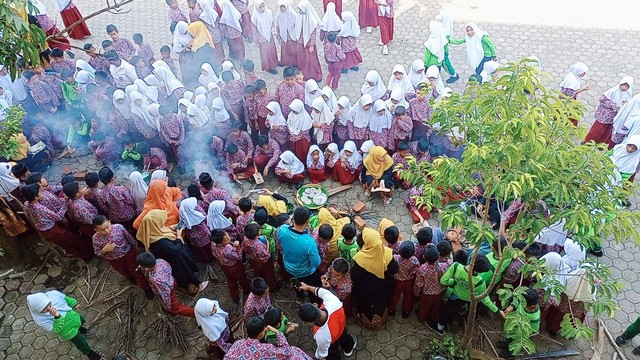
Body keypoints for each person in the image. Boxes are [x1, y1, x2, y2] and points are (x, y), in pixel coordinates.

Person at [136, 209, 206, 294]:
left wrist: (178, 225)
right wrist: (179, 236)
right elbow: (175, 250)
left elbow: (165, 230)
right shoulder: (160, 242)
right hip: (176, 263)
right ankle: (193, 289)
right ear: (156, 223)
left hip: (173, 258)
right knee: (185, 276)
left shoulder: (152, 230)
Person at [21, 183, 93, 260]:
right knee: (72, 240)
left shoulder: (26, 204)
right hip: (52, 230)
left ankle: (83, 253)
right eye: (40, 192)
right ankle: (86, 254)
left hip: (44, 229)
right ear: (36, 197)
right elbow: (58, 217)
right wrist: (65, 203)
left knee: (67, 242)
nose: (42, 193)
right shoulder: (40, 209)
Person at [435, 253, 500, 333]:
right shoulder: (480, 281)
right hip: (470, 299)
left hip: (455, 296)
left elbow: (443, 281)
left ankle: (440, 327)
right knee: (471, 310)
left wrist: (453, 281)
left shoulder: (456, 266)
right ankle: (467, 320)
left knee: (447, 310)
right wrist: (497, 310)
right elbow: (484, 298)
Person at [27, 290, 102, 360]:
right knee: (81, 342)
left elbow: (64, 298)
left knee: (82, 320)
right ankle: (90, 354)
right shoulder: (40, 320)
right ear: (38, 311)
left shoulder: (53, 294)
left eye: (48, 304)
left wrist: (74, 303)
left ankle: (79, 328)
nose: (49, 308)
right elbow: (56, 329)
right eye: (44, 309)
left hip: (74, 317)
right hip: (68, 331)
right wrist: (57, 317)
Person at [92, 215, 152, 297]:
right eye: (102, 230)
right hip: (114, 259)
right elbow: (97, 252)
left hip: (128, 253)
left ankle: (146, 288)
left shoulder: (119, 228)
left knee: (137, 271)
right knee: (124, 271)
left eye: (107, 227)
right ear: (96, 230)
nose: (106, 230)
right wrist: (104, 250)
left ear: (110, 222)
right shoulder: (95, 239)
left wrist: (136, 247)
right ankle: (131, 278)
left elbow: (129, 238)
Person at [350, 227, 398, 329]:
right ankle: (381, 318)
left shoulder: (359, 258)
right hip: (384, 287)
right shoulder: (387, 253)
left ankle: (366, 321)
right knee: (381, 302)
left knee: (365, 304)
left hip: (365, 290)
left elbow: (355, 277)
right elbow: (394, 269)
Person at [298, 282, 357, 359]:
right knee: (344, 338)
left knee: (333, 354)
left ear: (309, 322)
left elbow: (322, 353)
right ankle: (348, 349)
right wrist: (308, 287)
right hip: (341, 328)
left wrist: (317, 357)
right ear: (315, 305)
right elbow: (321, 292)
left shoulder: (320, 335)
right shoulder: (333, 301)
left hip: (332, 342)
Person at [277, 206, 323, 303]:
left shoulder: (282, 229)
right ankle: (315, 302)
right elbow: (316, 263)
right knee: (313, 288)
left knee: (296, 283)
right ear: (307, 221)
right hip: (306, 272)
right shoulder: (309, 242)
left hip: (289, 268)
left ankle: (299, 296)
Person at [136, 252, 195, 317]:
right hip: (171, 280)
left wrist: (168, 305)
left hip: (168, 291)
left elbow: (165, 293)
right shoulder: (160, 261)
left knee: (176, 309)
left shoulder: (156, 280)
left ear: (146, 268)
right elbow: (169, 267)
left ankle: (196, 314)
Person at [225, 316, 311, 359]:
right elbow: (287, 352)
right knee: (294, 352)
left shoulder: (237, 344)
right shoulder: (266, 348)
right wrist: (278, 332)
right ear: (261, 334)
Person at [585, 76, 634, 149]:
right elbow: (603, 100)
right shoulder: (613, 91)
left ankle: (601, 145)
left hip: (614, 118)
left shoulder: (628, 95)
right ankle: (588, 142)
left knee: (607, 132)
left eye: (627, 86)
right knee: (597, 130)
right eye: (623, 84)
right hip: (604, 116)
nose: (624, 87)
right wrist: (614, 106)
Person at [496, 288, 541, 358]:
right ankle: (507, 343)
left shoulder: (534, 317)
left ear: (532, 306)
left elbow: (534, 330)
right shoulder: (524, 302)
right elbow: (517, 302)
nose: (522, 302)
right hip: (513, 328)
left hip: (520, 334)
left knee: (515, 344)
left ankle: (510, 351)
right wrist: (510, 308)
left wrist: (522, 329)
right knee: (509, 337)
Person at [211, 229, 250, 304]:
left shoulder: (213, 243)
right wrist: (238, 247)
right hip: (234, 266)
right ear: (220, 243)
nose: (229, 238)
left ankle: (235, 296)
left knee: (230, 280)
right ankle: (246, 290)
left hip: (223, 265)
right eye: (226, 239)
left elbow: (214, 254)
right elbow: (239, 257)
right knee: (242, 278)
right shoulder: (228, 249)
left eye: (227, 235)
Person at [414, 246, 450, 326]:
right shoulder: (442, 266)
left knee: (424, 306)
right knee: (436, 306)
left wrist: (417, 292)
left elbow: (419, 283)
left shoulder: (422, 269)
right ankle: (432, 318)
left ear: (424, 257)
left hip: (427, 293)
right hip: (439, 292)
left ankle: (421, 319)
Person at [243, 223, 280, 290]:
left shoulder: (246, 238)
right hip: (262, 262)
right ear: (256, 235)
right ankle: (273, 286)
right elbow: (266, 256)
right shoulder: (259, 245)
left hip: (253, 259)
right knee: (269, 273)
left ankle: (259, 280)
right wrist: (267, 243)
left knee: (257, 271)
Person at [388, 241, 420, 318]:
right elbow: (415, 272)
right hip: (409, 282)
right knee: (408, 297)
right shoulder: (415, 261)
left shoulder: (395, 258)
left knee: (395, 296)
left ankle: (391, 310)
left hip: (398, 281)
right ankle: (406, 312)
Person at [179, 197, 214, 263]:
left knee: (200, 250)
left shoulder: (182, 213)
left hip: (193, 238)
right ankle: (212, 258)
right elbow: (205, 217)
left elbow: (180, 225)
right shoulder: (197, 209)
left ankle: (204, 260)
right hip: (204, 234)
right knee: (208, 248)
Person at [296, 0, 323, 82]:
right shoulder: (300, 15)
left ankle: (315, 76)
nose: (300, 11)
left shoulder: (311, 20)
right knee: (303, 60)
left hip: (308, 45)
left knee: (311, 61)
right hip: (301, 42)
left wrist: (311, 45)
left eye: (301, 9)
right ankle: (305, 75)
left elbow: (313, 34)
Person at [251, 0, 279, 74]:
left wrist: (274, 30)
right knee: (266, 53)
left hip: (269, 35)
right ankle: (269, 67)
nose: (262, 8)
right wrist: (256, 40)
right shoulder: (254, 17)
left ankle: (275, 62)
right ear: (257, 8)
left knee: (272, 49)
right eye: (260, 7)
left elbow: (272, 22)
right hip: (261, 38)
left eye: (263, 6)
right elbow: (254, 30)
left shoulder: (268, 12)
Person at [275, 0, 301, 68]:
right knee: (285, 49)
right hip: (284, 35)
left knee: (293, 50)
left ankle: (295, 64)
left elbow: (297, 24)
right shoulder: (278, 14)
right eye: (281, 7)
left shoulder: (292, 13)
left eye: (284, 7)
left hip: (292, 35)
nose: (283, 9)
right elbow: (277, 25)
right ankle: (286, 62)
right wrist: (278, 35)